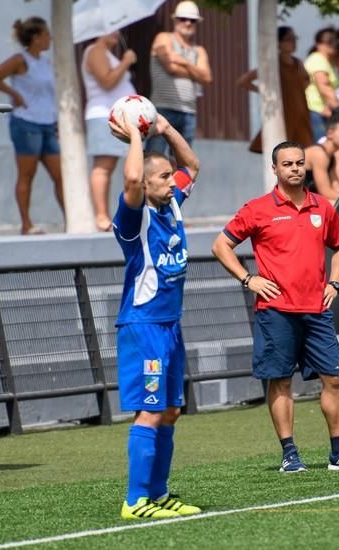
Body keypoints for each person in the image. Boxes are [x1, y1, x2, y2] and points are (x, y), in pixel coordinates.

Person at [212, 140, 339, 473]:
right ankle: (289, 453)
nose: (296, 169)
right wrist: (248, 279)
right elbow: (221, 245)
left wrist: (335, 282)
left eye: (300, 163)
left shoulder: (323, 207)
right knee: (281, 380)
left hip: (316, 309)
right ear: (275, 169)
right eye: (287, 164)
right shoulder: (257, 209)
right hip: (275, 311)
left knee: (334, 379)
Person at [108, 110, 201, 519]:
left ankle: (159, 494)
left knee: (171, 410)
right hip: (142, 327)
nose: (171, 181)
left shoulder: (172, 206)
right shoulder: (135, 218)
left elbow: (192, 165)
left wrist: (163, 128)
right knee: (149, 409)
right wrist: (134, 134)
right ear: (146, 185)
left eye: (169, 177)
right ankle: (135, 501)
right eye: (163, 177)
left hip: (169, 327)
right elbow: (130, 180)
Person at [0, 17, 64, 235]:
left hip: (47, 124)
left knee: (60, 175)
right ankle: (26, 224)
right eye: (46, 34)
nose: (49, 38)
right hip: (26, 122)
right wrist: (15, 95)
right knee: (27, 174)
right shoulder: (20, 59)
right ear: (36, 38)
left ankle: (72, 219)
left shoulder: (45, 61)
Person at [81, 32, 138, 232]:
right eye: (111, 28)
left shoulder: (105, 53)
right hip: (103, 114)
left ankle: (113, 214)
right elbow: (107, 81)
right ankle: (101, 216)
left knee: (116, 166)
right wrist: (126, 62)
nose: (116, 32)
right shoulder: (95, 51)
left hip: (116, 115)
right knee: (103, 166)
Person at [147, 1, 212, 154]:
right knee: (154, 156)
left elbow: (207, 78)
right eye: (183, 19)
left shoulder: (199, 50)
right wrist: (196, 72)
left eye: (192, 20)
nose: (188, 23)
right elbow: (171, 67)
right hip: (163, 108)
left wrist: (184, 62)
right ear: (175, 20)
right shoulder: (163, 38)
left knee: (182, 160)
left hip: (189, 112)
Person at [237, 26, 313, 153]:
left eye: (295, 39)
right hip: (283, 115)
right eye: (289, 39)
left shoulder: (298, 63)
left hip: (301, 115)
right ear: (278, 43)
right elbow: (243, 81)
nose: (293, 42)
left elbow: (307, 80)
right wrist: (264, 92)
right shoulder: (273, 64)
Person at [304, 108, 339, 203]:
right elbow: (325, 192)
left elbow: (335, 186)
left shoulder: (331, 156)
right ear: (330, 133)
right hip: (287, 205)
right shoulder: (319, 154)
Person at [305, 27, 339, 142]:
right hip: (316, 112)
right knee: (321, 148)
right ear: (318, 44)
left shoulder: (325, 61)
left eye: (335, 41)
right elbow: (324, 87)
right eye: (329, 41)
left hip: (322, 112)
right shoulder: (317, 60)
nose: (333, 44)